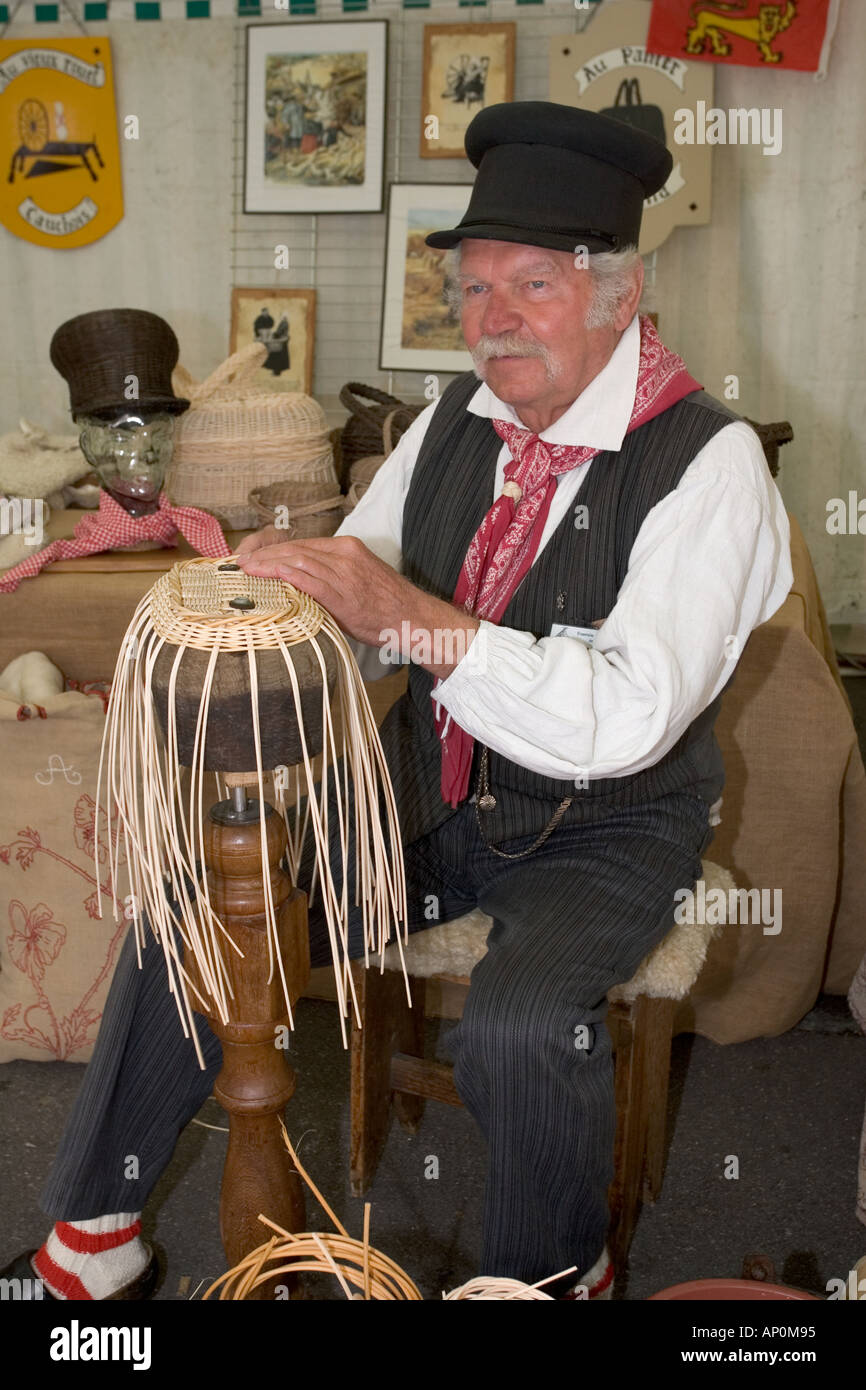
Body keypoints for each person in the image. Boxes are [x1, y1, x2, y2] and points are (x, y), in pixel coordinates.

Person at [1, 101, 791, 1301]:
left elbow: (628, 717)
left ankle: (551, 1272)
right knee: (196, 905)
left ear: (619, 296)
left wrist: (402, 616)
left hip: (609, 825)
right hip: (428, 790)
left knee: (525, 1026)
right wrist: (269, 609)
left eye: (533, 284)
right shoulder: (447, 425)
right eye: (475, 290)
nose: (494, 321)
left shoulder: (707, 460)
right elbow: (356, 608)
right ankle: (95, 1236)